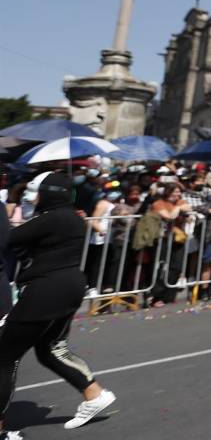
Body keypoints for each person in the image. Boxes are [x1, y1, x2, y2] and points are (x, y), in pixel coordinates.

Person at [0, 172, 116, 437]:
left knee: (4, 357)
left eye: (34, 190)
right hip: (68, 287)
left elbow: (8, 238)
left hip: (46, 290)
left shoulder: (52, 218)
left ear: (49, 192)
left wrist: (13, 206)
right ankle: (94, 393)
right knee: (50, 348)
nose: (31, 196)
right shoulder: (70, 217)